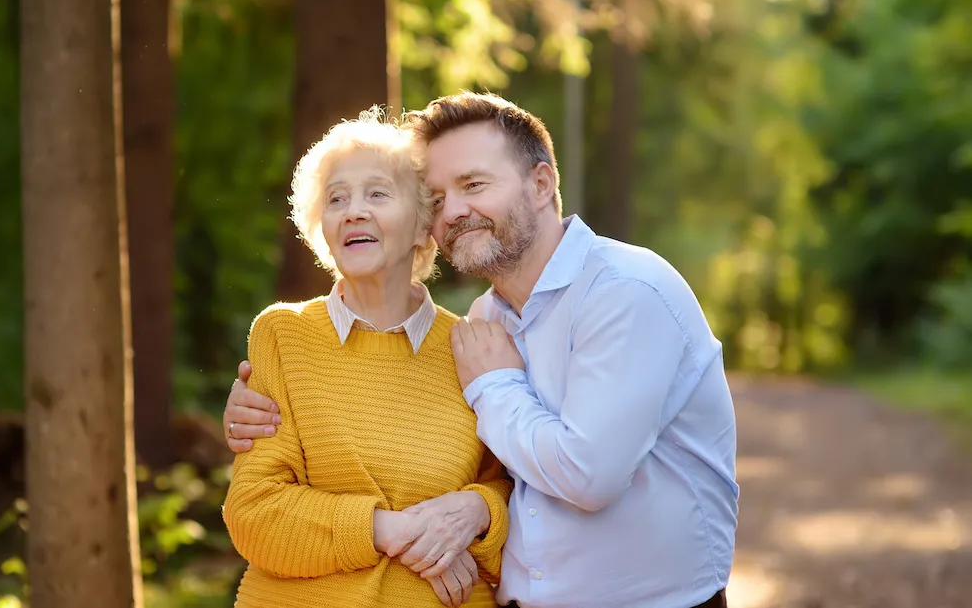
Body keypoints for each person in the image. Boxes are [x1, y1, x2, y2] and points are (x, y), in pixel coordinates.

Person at [224, 93, 739, 608]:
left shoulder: (623, 291)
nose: (456, 210)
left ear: (542, 184)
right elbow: (518, 482)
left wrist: (478, 505)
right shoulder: (485, 323)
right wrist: (410, 525)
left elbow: (585, 475)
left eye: (473, 185)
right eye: (440, 196)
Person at [221, 108, 512, 608]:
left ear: (425, 226)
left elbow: (515, 492)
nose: (353, 210)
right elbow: (254, 513)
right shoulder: (282, 337)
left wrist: (477, 512)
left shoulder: (472, 345)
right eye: (337, 199)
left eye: (377, 193)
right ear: (324, 228)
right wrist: (387, 530)